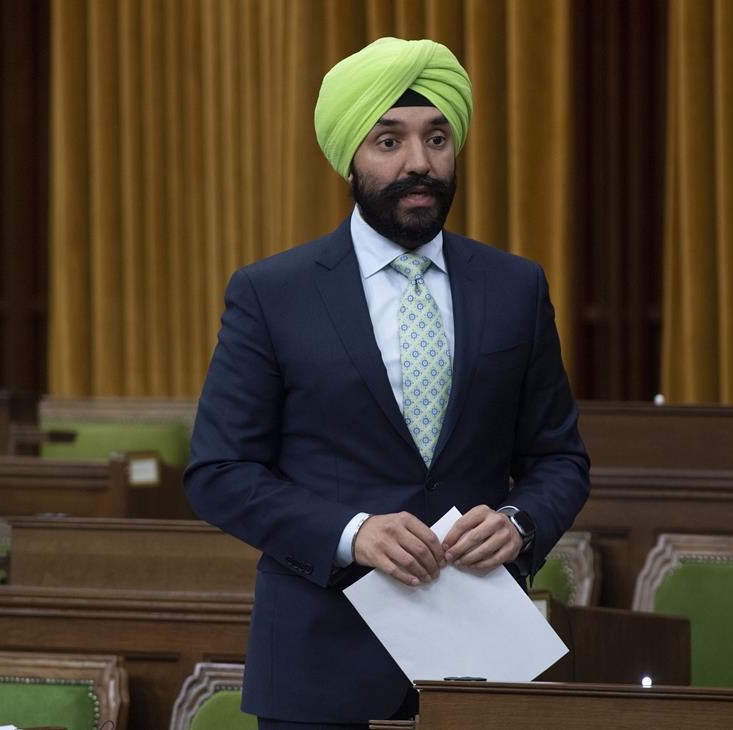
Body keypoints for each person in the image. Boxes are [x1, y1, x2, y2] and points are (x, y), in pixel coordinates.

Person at [185, 36, 590, 729]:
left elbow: (559, 459)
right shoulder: (270, 293)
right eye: (388, 141)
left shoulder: (515, 286)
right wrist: (352, 532)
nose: (419, 164)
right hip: (320, 669)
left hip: (480, 664)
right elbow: (219, 471)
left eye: (437, 138)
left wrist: (521, 524)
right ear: (350, 156)